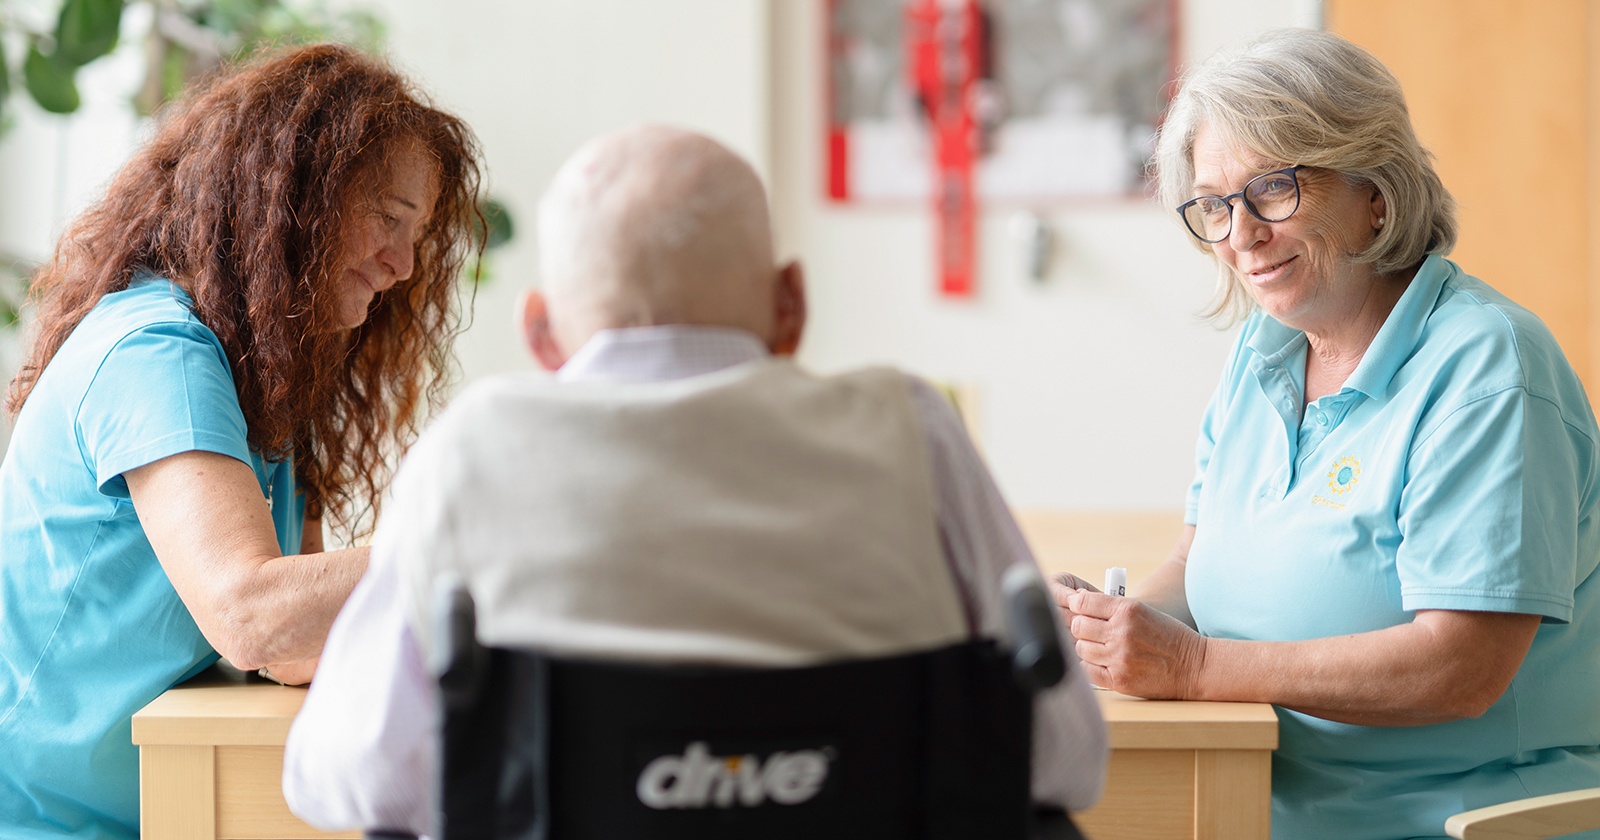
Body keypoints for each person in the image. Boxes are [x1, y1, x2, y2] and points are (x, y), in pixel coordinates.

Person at [282, 124, 1108, 832]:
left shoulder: (471, 448)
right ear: (791, 305)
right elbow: (1066, 753)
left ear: (540, 333)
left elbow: (351, 777)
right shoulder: (911, 428)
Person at [1050, 28, 1600, 840]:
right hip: (1259, 807)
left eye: (1272, 189)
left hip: (1457, 818)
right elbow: (1195, 571)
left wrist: (1194, 668)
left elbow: (1460, 667)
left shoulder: (1488, 369)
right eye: (1213, 205)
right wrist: (1104, 626)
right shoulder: (1260, 357)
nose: (1240, 233)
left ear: (1375, 191)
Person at [0, 44, 482, 840]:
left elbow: (291, 649)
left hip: (165, 806)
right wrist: (478, 539)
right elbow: (252, 616)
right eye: (388, 220)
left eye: (416, 235)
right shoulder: (157, 352)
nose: (401, 265)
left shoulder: (266, 382)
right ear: (293, 195)